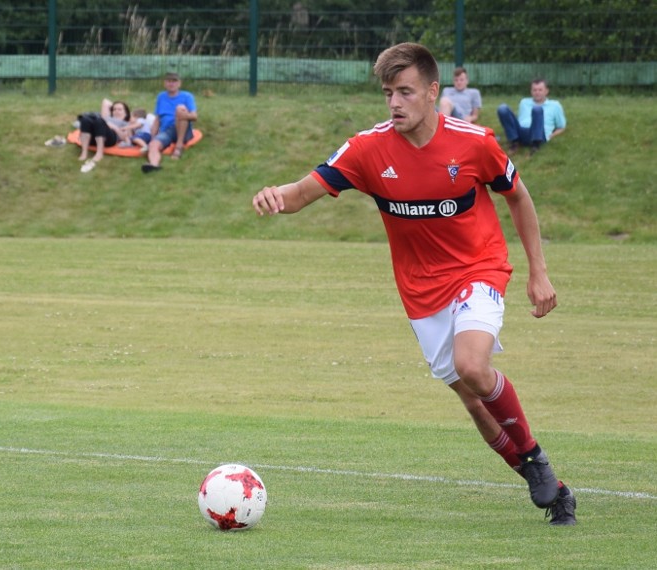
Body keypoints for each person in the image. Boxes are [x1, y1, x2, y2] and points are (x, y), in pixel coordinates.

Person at [252, 42, 576, 526]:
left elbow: (518, 197)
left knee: (472, 365)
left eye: (404, 92)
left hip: (478, 268)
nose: (394, 103)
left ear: (432, 91)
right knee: (472, 400)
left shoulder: (474, 142)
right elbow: (301, 194)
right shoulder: (366, 149)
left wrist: (539, 271)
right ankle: (548, 487)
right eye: (387, 93)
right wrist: (276, 195)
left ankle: (534, 457)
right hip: (421, 293)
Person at [141, 72, 198, 174]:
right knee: (153, 145)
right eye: (168, 81)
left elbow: (194, 116)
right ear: (165, 83)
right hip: (167, 131)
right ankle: (154, 164)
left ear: (179, 83)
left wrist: (180, 115)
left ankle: (179, 147)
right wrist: (152, 138)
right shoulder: (161, 96)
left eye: (174, 81)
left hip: (183, 129)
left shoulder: (187, 96)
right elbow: (158, 118)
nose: (171, 84)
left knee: (180, 108)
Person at [497, 78, 566, 154]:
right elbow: (520, 119)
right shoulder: (524, 102)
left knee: (537, 109)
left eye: (540, 90)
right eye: (534, 90)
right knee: (502, 108)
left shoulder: (555, 105)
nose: (537, 93)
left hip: (539, 133)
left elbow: (561, 127)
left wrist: (551, 136)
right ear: (531, 91)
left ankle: (535, 145)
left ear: (546, 91)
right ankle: (514, 142)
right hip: (522, 131)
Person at [77, 98, 132, 172]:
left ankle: (99, 154)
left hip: (110, 139)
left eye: (120, 109)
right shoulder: (107, 117)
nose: (116, 111)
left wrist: (114, 127)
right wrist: (107, 119)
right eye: (114, 109)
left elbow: (124, 137)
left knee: (100, 121)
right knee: (85, 119)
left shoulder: (126, 123)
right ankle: (84, 153)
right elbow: (105, 101)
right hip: (93, 138)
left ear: (126, 112)